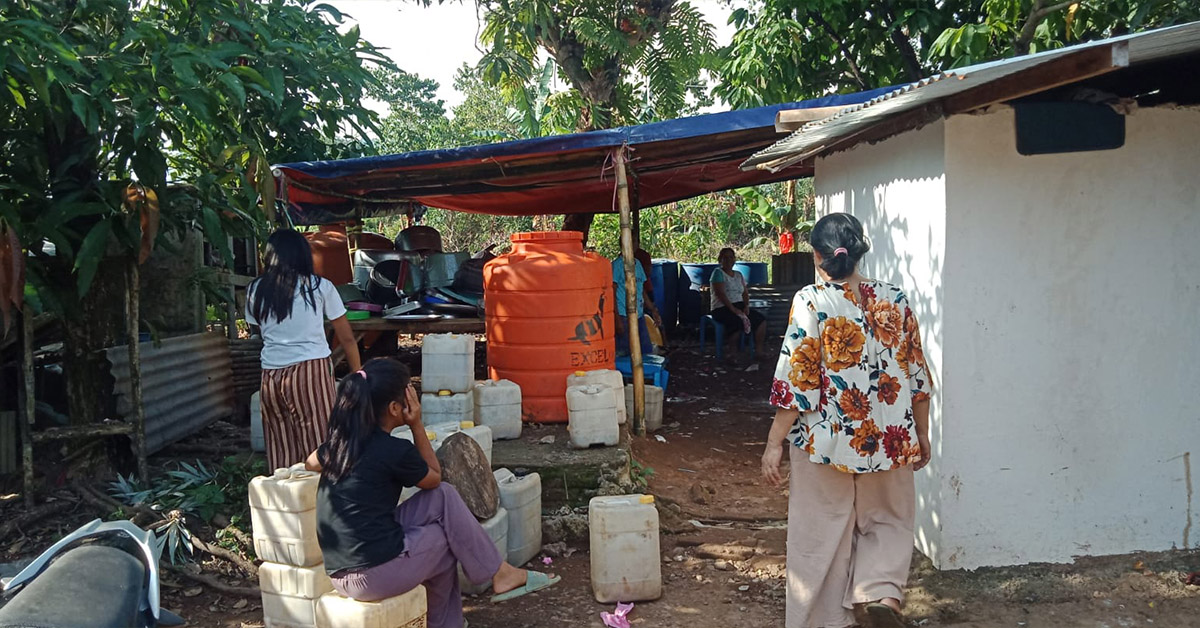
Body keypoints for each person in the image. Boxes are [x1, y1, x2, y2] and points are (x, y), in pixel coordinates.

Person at [760, 213, 932, 628]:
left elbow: (796, 382)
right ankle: (882, 595)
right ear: (859, 251)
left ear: (818, 257)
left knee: (820, 529)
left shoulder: (811, 301)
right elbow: (917, 376)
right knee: (889, 520)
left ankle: (822, 619)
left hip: (826, 442)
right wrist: (921, 434)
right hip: (890, 439)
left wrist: (773, 443)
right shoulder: (895, 298)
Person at [305, 358, 558, 628]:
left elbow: (310, 463)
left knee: (444, 497)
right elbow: (433, 476)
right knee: (447, 538)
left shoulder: (340, 445)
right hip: (370, 575)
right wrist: (417, 425)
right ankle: (457, 613)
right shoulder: (394, 451)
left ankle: (496, 575)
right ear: (394, 408)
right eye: (408, 395)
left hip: (341, 570)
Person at [246, 228, 361, 470]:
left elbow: (256, 329)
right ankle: (323, 502)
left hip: (270, 376)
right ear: (303, 255)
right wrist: (359, 375)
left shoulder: (256, 290)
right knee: (322, 445)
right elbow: (348, 339)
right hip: (310, 371)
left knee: (281, 450)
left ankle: (286, 502)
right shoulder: (319, 287)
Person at [710, 248, 767, 359]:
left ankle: (759, 352)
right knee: (736, 322)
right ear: (720, 260)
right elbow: (720, 294)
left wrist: (746, 306)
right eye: (725, 258)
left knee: (761, 320)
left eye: (731, 257)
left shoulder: (738, 275)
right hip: (721, 308)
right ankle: (732, 354)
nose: (728, 260)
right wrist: (733, 309)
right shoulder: (717, 273)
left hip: (739, 306)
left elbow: (745, 293)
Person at [612, 250, 663, 357]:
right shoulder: (617, 266)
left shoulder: (637, 264)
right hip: (623, 316)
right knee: (624, 354)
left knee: (645, 351)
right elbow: (611, 293)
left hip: (639, 315)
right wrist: (617, 320)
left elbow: (642, 291)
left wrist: (653, 310)